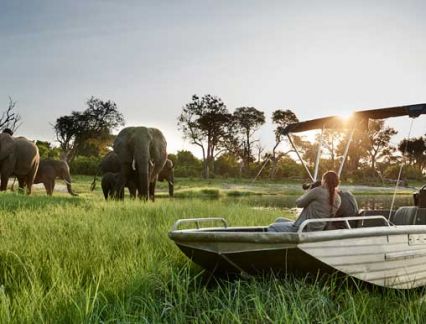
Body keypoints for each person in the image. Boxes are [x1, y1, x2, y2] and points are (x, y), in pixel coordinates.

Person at [268, 171, 341, 232]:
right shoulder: (338, 198)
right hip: (317, 229)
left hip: (303, 228)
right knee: (279, 220)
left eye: (322, 179)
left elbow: (298, 203)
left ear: (325, 180)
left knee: (272, 227)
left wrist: (309, 191)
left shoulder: (318, 191)